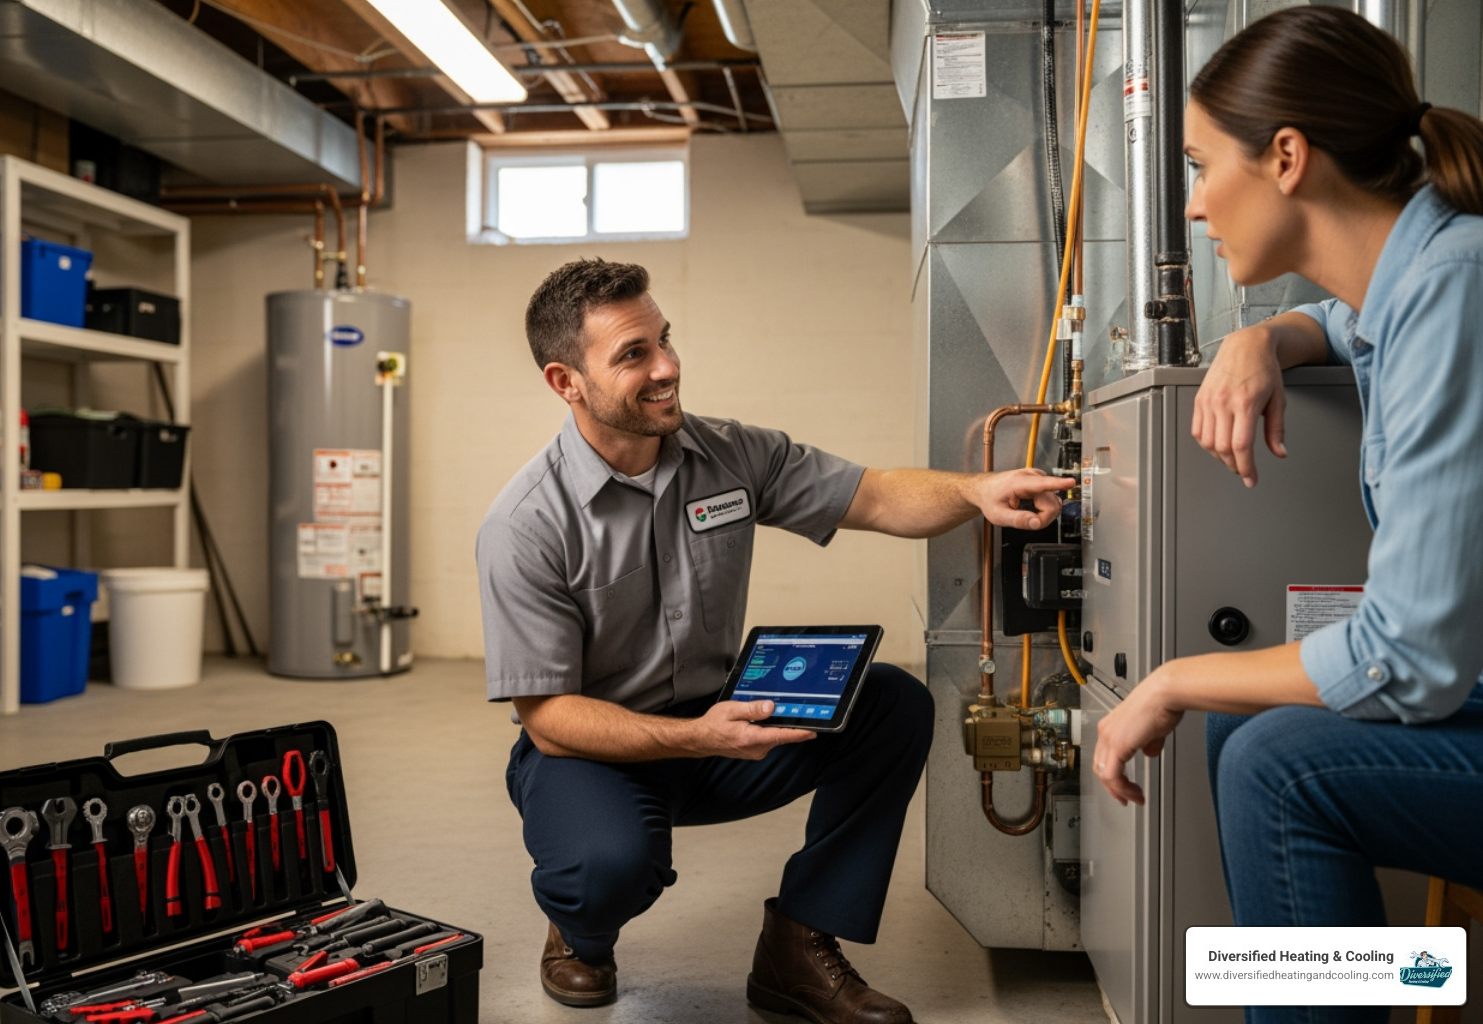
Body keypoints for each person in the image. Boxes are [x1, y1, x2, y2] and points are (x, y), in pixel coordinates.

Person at [477, 258, 1073, 1020]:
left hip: (724, 720)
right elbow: (549, 718)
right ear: (566, 382)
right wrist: (696, 738)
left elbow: (877, 495)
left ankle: (798, 943)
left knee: (891, 703)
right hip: (594, 749)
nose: (667, 368)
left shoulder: (730, 454)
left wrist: (974, 491)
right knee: (606, 866)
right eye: (633, 355)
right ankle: (580, 934)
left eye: (664, 340)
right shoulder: (525, 525)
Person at [1090, 7, 1483, 1023]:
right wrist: (1263, 340)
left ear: (1288, 157)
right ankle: (1369, 997)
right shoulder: (1424, 280)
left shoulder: (1458, 290)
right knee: (1254, 732)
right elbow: (1349, 321)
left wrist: (1174, 677)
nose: (1189, 206)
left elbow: (1413, 655)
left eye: (1197, 164)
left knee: (1274, 760)